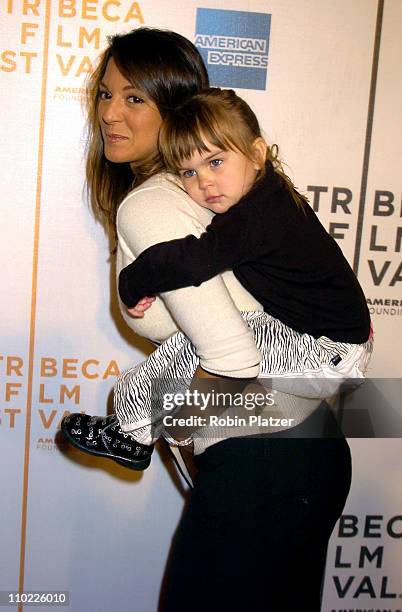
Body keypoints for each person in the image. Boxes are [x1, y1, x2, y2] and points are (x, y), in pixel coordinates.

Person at [60, 28, 367, 611]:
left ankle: (129, 431)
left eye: (134, 98)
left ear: (175, 109)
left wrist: (178, 428)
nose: (109, 114)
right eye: (105, 94)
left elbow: (231, 356)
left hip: (265, 460)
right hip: (298, 451)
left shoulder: (154, 203)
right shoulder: (210, 196)